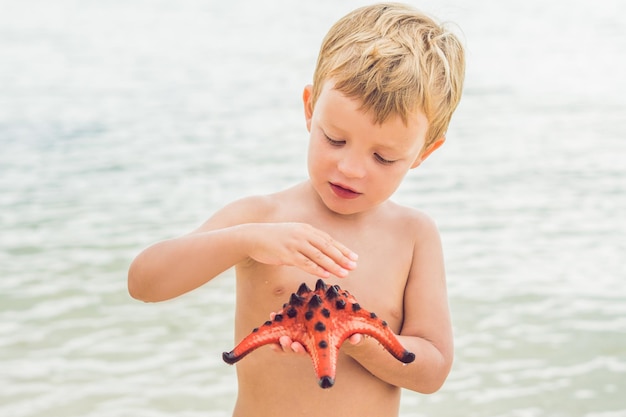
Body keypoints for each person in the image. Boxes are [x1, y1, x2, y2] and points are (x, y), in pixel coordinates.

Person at [128, 2, 465, 416]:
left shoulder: (413, 235)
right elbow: (145, 282)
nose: (350, 168)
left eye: (383, 157)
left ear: (423, 153)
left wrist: (355, 335)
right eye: (335, 139)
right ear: (310, 109)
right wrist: (246, 240)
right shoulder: (263, 218)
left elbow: (432, 371)